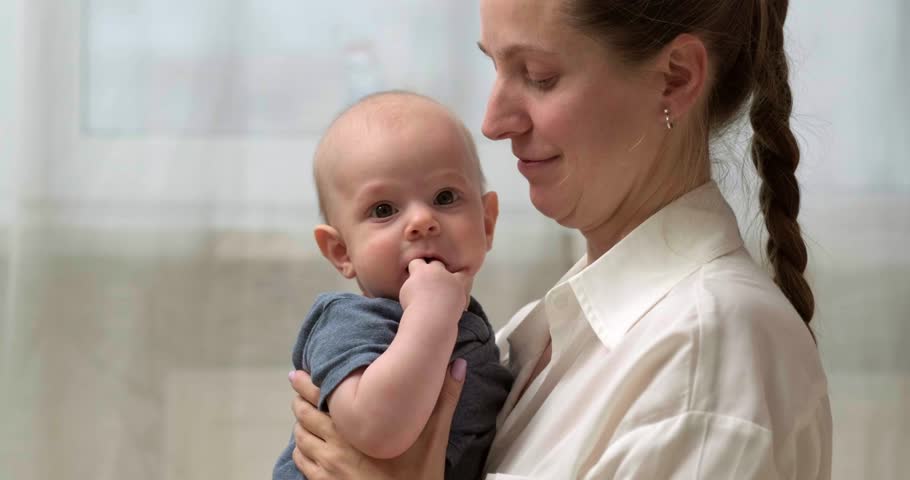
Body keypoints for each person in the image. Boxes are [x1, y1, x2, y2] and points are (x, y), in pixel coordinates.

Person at [286, 0, 833, 478]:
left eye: (539, 75)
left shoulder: (706, 356)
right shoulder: (535, 334)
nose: (493, 122)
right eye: (496, 68)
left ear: (675, 77)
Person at [273, 91, 512, 480]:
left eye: (445, 197)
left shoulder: (480, 330)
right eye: (383, 210)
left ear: (486, 224)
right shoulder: (350, 324)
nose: (421, 220)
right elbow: (377, 431)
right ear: (340, 251)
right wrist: (429, 315)